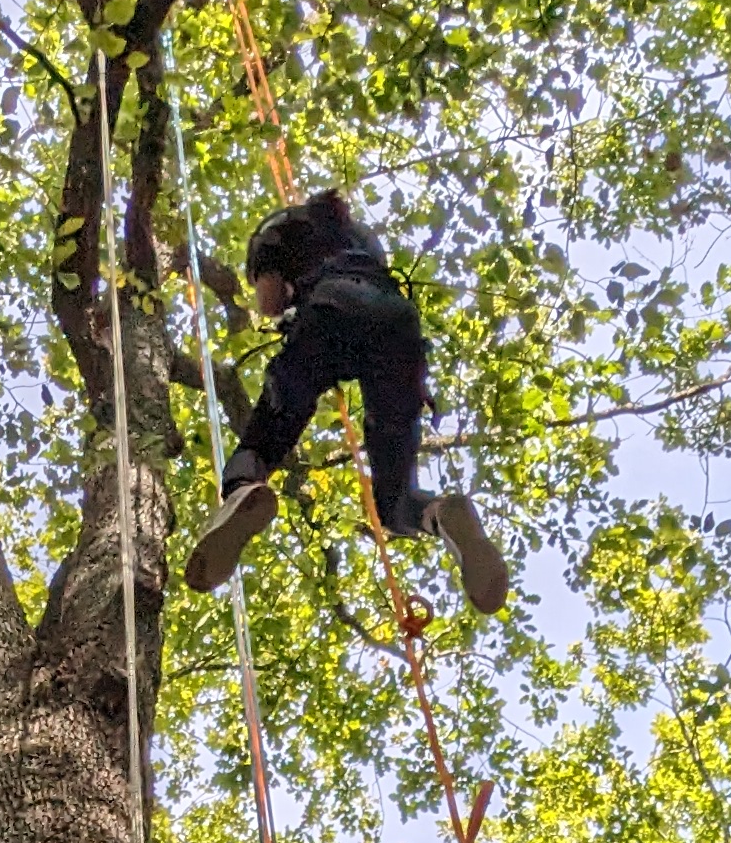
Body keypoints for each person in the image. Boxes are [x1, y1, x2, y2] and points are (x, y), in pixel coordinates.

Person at [182, 187, 512, 614]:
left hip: (332, 310)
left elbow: (269, 299)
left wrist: (276, 309)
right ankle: (441, 513)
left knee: (274, 422)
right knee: (394, 501)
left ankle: (241, 491)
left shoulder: (275, 233)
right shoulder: (356, 235)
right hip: (399, 327)